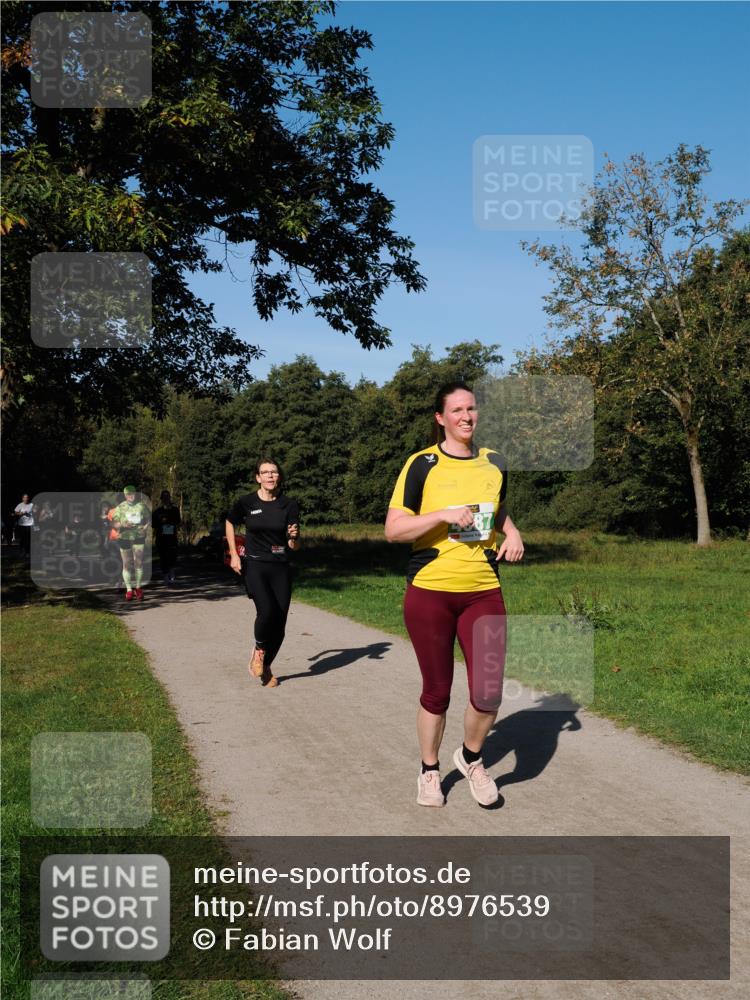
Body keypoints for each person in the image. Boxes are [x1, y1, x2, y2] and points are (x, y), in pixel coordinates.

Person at [385, 382, 524, 808]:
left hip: (483, 591)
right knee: (437, 691)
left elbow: (496, 509)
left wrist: (512, 531)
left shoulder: (495, 463)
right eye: (457, 410)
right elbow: (393, 530)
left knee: (488, 693)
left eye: (472, 408)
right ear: (440, 418)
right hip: (430, 591)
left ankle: (470, 758)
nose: (466, 416)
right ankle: (429, 770)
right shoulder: (422, 465)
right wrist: (442, 515)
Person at [225, 459, 300, 689]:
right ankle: (259, 649)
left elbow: (294, 545)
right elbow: (229, 522)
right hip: (255, 565)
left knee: (280, 623)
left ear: (279, 477)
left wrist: (293, 537)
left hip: (281, 566)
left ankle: (265, 667)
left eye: (274, 472)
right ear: (258, 477)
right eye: (265, 472)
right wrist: (234, 554)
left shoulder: (289, 505)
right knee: (267, 611)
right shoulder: (247, 502)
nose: (270, 476)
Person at [110, 486, 151, 601]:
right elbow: (113, 524)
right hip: (124, 538)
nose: (130, 496)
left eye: (132, 493)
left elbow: (148, 518)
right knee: (127, 564)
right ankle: (128, 590)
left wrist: (146, 527)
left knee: (138, 563)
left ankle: (138, 588)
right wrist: (123, 525)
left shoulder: (141, 506)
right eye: (128, 494)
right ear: (125, 495)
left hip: (138, 537)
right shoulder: (120, 507)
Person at [152, 490, 181, 584]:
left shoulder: (175, 510)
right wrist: (162, 525)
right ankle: (165, 576)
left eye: (167, 497)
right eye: (164, 497)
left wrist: (172, 525)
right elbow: (153, 524)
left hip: (172, 537)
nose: (166, 499)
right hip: (161, 537)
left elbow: (178, 522)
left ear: (170, 498)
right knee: (163, 556)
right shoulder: (157, 512)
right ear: (161, 499)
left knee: (172, 555)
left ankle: (172, 572)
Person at [13, 493, 35, 557]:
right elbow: (15, 512)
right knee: (22, 538)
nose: (26, 499)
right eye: (24, 497)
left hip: (30, 524)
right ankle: (22, 551)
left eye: (27, 497)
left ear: (28, 498)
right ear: (22, 498)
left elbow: (36, 511)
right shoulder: (20, 505)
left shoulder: (31, 505)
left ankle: (28, 552)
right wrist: (21, 513)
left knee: (28, 539)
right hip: (22, 524)